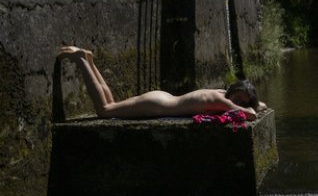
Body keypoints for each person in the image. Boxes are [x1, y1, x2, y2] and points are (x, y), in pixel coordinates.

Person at [57, 46, 267, 120]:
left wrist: (254, 102)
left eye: (243, 100)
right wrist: (252, 106)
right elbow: (250, 115)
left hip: (161, 100)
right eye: (239, 99)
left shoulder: (222, 93)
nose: (239, 103)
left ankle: (90, 61)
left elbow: (256, 106)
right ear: (233, 94)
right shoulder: (221, 101)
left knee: (111, 103)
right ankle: (82, 61)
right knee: (104, 110)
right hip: (157, 105)